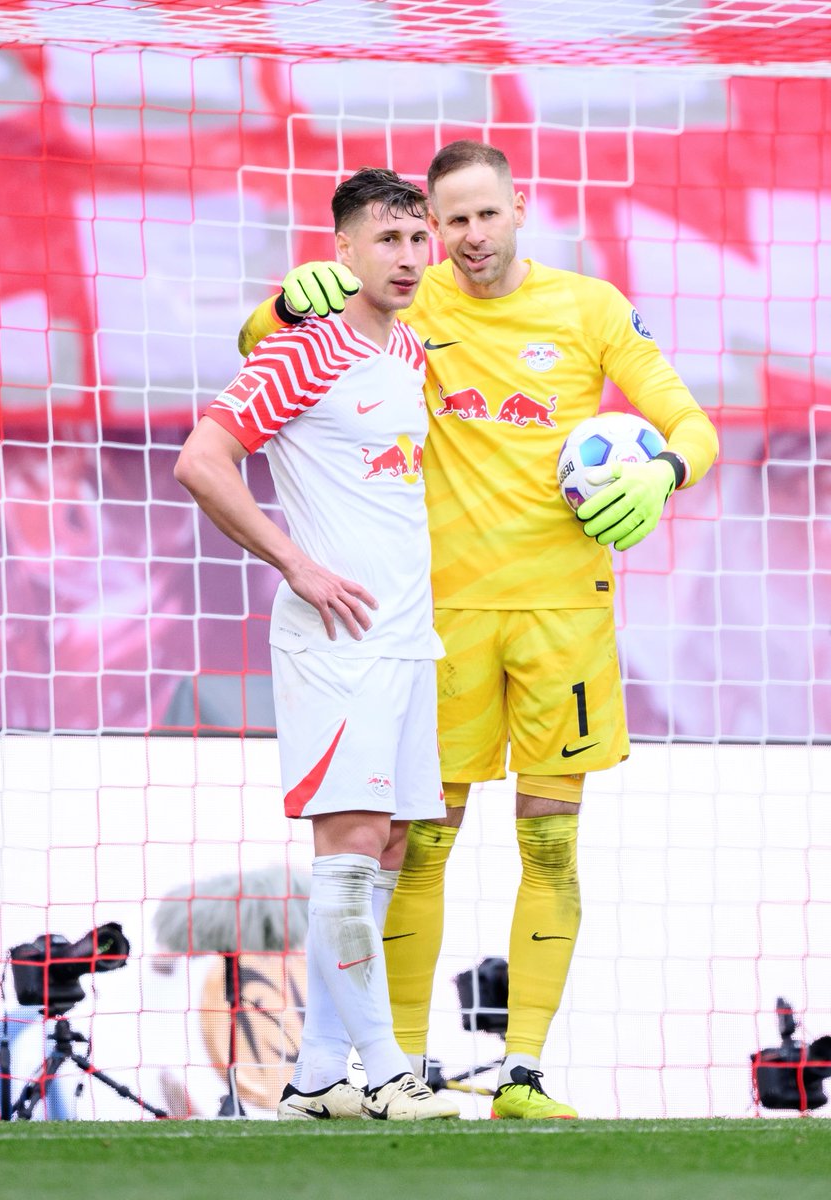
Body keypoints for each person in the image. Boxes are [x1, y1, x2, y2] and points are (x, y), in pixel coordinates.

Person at [237, 140, 720, 1119]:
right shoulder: (410, 306)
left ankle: (523, 1074)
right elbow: (263, 350)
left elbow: (690, 424)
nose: (463, 239)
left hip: (564, 619)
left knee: (550, 846)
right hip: (442, 622)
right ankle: (397, 1067)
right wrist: (288, 302)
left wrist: (663, 475)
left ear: (517, 208)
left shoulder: (588, 309)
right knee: (416, 848)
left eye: (480, 216)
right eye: (446, 222)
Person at [174, 167, 459, 1122]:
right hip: (333, 641)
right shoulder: (305, 353)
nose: (411, 257)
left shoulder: (412, 353)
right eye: (388, 240)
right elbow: (201, 461)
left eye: (418, 238)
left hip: (406, 640)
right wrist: (296, 563)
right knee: (345, 847)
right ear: (341, 250)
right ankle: (385, 1072)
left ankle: (317, 1079)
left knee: (394, 844)